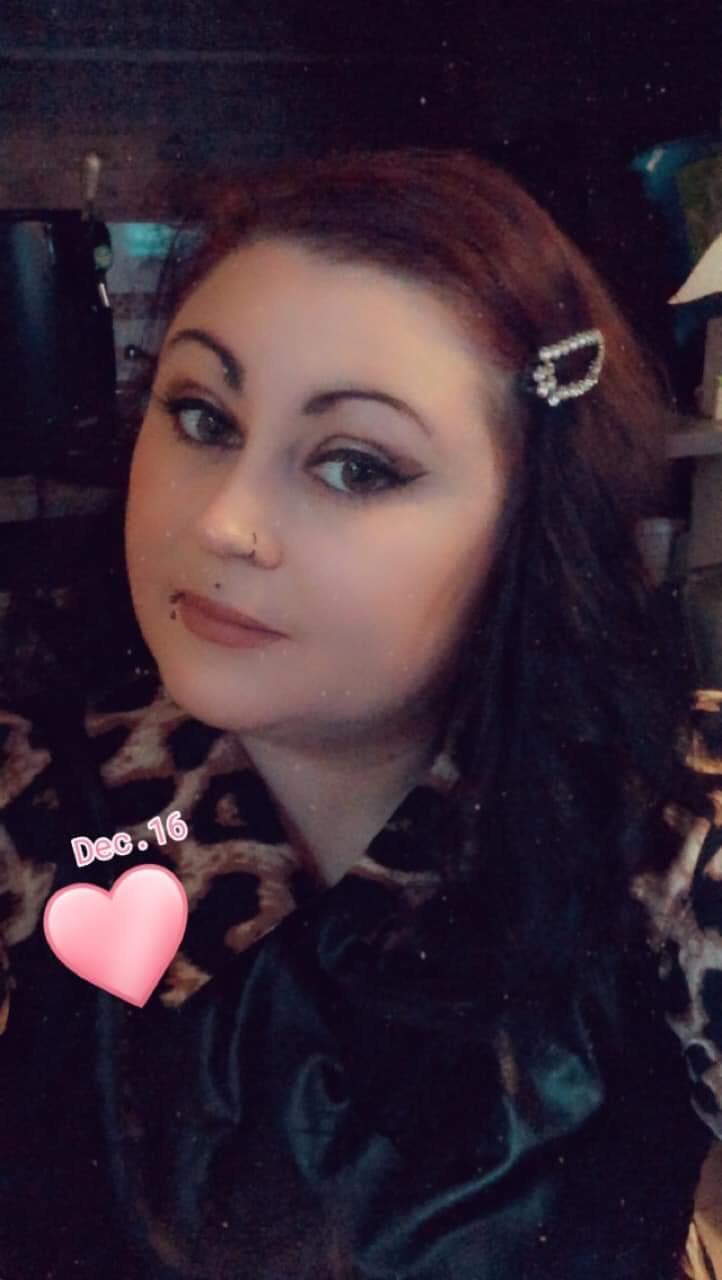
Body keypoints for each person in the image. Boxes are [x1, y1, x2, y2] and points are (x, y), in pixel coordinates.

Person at [1, 145, 721, 1280]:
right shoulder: (39, 783)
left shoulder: (670, 833)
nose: (225, 522)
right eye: (202, 416)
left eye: (355, 466)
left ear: (529, 519)